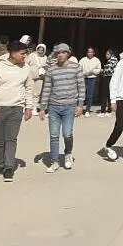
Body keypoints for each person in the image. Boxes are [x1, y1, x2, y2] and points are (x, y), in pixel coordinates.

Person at [0, 40, 34, 182]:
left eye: (25, 54)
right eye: (22, 53)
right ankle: (0, 163)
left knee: (11, 139)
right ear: (12, 53)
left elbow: (29, 88)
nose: (24, 56)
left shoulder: (26, 69)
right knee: (0, 139)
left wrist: (29, 107)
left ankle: (9, 167)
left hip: (16, 108)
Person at [40, 44, 85, 172]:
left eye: (63, 52)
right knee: (54, 135)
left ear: (68, 54)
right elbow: (47, 88)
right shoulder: (51, 69)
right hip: (54, 106)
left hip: (69, 106)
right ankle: (54, 162)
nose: (60, 55)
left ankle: (68, 154)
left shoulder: (76, 67)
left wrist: (80, 105)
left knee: (67, 133)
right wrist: (42, 108)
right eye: (58, 53)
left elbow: (81, 87)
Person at [79, 47, 102, 115]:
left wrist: (92, 72)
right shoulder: (82, 60)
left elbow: (99, 69)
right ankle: (79, 109)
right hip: (83, 78)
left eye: (91, 52)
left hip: (92, 79)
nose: (90, 53)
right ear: (87, 53)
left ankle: (87, 110)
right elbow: (79, 69)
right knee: (82, 94)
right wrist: (84, 73)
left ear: (94, 53)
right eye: (89, 52)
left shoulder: (97, 60)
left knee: (90, 95)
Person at [26, 44, 48, 115]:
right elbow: (26, 64)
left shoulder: (45, 57)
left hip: (40, 77)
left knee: (37, 93)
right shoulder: (32, 55)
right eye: (39, 49)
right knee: (28, 92)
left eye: (42, 50)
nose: (40, 51)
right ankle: (27, 107)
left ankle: (34, 108)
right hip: (30, 76)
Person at [99, 48, 119, 115]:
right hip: (110, 78)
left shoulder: (112, 60)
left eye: (107, 54)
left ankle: (103, 111)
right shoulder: (112, 60)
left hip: (109, 78)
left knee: (105, 94)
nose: (106, 55)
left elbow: (109, 71)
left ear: (111, 54)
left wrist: (102, 70)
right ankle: (109, 110)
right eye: (106, 54)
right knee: (109, 94)